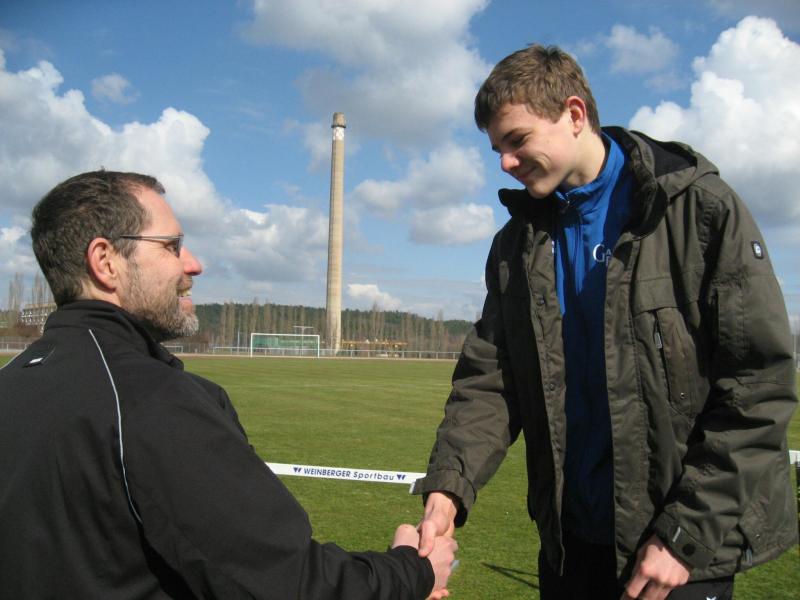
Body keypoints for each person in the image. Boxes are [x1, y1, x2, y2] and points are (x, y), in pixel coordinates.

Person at [413, 45, 797, 600]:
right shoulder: (516, 245)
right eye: (497, 149)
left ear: (574, 114)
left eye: (517, 140)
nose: (505, 163)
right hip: (569, 546)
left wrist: (685, 536)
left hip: (677, 556)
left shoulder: (697, 209)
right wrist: (449, 488)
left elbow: (758, 387)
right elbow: (491, 380)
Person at [0, 170, 457, 599]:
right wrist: (414, 569)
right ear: (105, 261)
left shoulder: (13, 382)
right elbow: (288, 583)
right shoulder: (151, 398)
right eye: (171, 246)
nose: (194, 264)